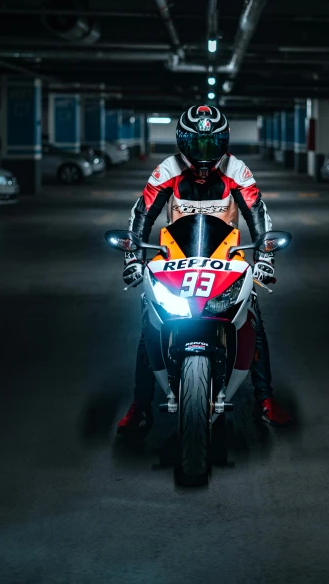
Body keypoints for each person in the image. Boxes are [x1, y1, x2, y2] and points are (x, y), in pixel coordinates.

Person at [118, 104, 291, 431]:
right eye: (197, 144)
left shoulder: (237, 171)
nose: (203, 153)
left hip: (227, 256)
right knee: (150, 320)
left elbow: (258, 215)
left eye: (210, 144)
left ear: (223, 143)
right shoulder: (166, 171)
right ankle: (140, 404)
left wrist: (265, 258)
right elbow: (140, 215)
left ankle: (265, 398)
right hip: (175, 257)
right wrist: (132, 259)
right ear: (182, 142)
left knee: (251, 315)